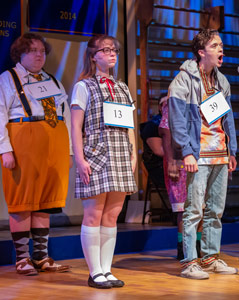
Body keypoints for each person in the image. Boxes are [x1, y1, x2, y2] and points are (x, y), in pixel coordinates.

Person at [0, 33, 72, 275]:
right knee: (22, 202)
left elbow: (63, 117)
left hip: (53, 141)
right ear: (20, 54)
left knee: (45, 202)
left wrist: (70, 151)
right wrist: (4, 149)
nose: (38, 55)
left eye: (42, 51)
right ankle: (22, 258)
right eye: (33, 50)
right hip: (22, 141)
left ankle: (41, 257)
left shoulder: (52, 81)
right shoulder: (7, 80)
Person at [168, 29, 238, 279]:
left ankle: (210, 257)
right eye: (216, 45)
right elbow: (176, 120)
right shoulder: (183, 80)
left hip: (220, 152)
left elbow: (227, 119)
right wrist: (186, 152)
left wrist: (232, 150)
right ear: (201, 51)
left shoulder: (222, 81)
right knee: (194, 210)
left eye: (221, 45)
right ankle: (189, 261)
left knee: (216, 210)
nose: (221, 49)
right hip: (198, 155)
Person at [71, 34, 137, 289]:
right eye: (106, 50)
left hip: (120, 151)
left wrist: (133, 153)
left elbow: (128, 123)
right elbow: (76, 127)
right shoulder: (83, 86)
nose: (112, 54)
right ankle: (94, 271)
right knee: (94, 213)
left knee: (112, 214)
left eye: (115, 50)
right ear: (93, 55)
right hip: (96, 152)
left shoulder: (122, 86)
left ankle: (107, 270)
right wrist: (80, 158)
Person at [158, 94, 202, 260]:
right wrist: (171, 161)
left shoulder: (200, 96)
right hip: (180, 159)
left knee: (201, 206)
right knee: (183, 207)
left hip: (200, 157)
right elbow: (166, 132)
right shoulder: (174, 101)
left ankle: (198, 247)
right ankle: (183, 248)